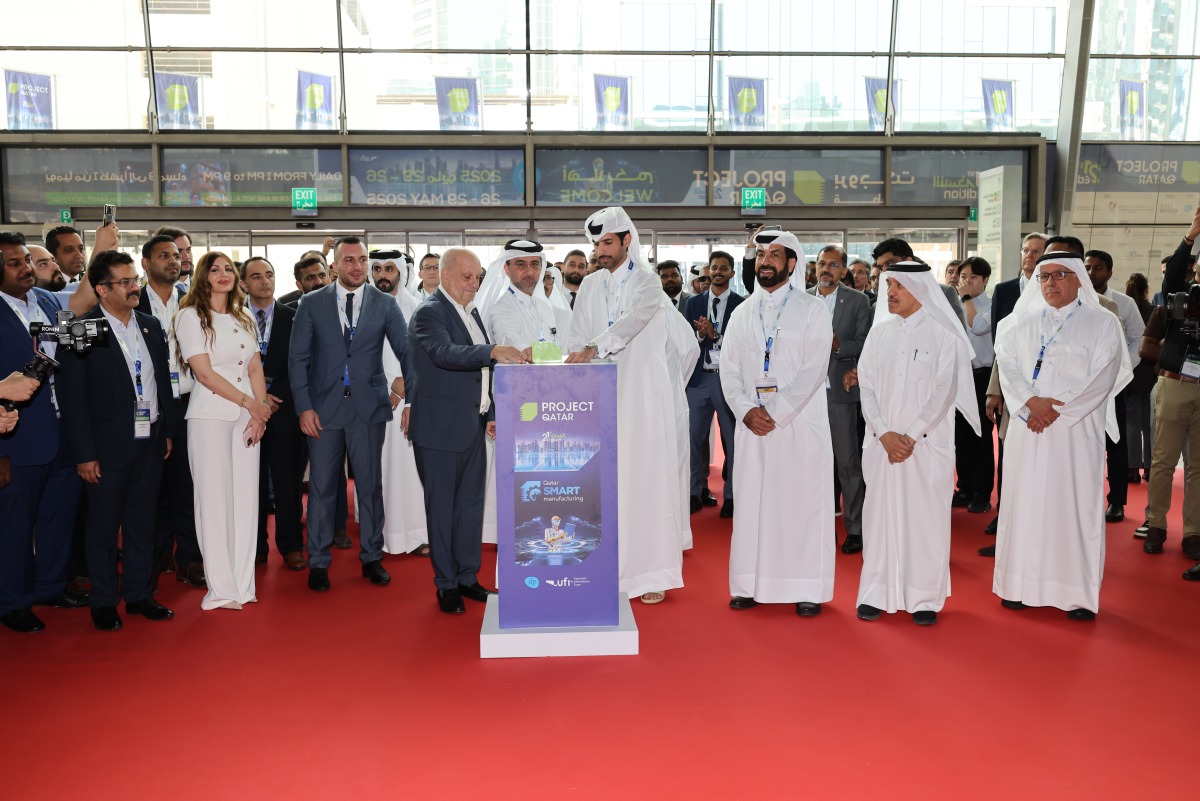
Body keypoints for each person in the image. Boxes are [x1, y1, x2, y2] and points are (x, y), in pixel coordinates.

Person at [993, 252, 1131, 620]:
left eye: (1060, 275)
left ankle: (1075, 594)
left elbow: (1104, 376)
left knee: (1070, 508)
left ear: (1079, 280)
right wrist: (1029, 404)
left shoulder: (1102, 323)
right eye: (1044, 276)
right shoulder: (1019, 324)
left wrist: (1055, 411)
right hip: (1027, 430)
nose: (1051, 282)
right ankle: (1017, 585)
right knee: (1023, 505)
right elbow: (1006, 366)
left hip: (1074, 433)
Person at [566, 207, 687, 604]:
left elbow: (634, 320)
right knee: (602, 486)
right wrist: (579, 360)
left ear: (626, 241)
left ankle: (650, 574)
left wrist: (593, 348)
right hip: (600, 399)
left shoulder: (647, 283)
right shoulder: (589, 285)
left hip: (641, 398)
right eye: (596, 244)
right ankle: (602, 568)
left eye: (606, 243)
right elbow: (576, 335)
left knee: (646, 484)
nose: (600, 251)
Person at [853, 262, 979, 626]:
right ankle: (876, 592)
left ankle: (924, 596)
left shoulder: (944, 334)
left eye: (898, 286)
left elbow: (945, 391)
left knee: (925, 520)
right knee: (879, 519)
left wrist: (910, 436)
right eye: (888, 284)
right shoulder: (880, 335)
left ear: (920, 289)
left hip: (925, 447)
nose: (889, 292)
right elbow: (868, 389)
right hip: (882, 445)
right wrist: (884, 433)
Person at [56, 251, 176, 631]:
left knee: (143, 523)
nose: (133, 287)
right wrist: (84, 454)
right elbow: (71, 398)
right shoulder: (77, 329)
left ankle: (139, 594)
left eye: (133, 279)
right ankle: (104, 600)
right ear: (101, 290)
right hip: (105, 448)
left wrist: (166, 431)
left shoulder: (150, 325)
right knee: (104, 527)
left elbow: (162, 382)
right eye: (123, 282)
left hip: (151, 439)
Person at [288, 236, 412, 592]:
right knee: (323, 489)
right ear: (336, 266)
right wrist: (304, 407)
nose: (357, 267)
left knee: (370, 488)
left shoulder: (385, 305)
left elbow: (406, 352)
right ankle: (319, 562)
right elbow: (297, 360)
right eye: (349, 260)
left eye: (362, 260)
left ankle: (372, 557)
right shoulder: (311, 303)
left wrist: (412, 399)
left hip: (368, 409)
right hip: (323, 411)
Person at [720, 230, 834, 616]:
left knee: (800, 504)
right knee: (752, 503)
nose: (765, 261)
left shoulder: (813, 309)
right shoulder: (741, 312)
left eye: (774, 255)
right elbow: (729, 369)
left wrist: (777, 410)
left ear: (791, 263)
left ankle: (805, 588)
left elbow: (815, 368)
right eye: (761, 254)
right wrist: (744, 409)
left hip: (799, 425)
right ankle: (749, 585)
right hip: (752, 425)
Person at [408, 248, 527, 614]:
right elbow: (446, 353)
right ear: (444, 275)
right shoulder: (430, 312)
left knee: (469, 508)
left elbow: (482, 372)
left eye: (477, 277)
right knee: (442, 510)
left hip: (472, 426)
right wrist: (492, 350)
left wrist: (489, 410)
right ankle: (445, 584)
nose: (474, 284)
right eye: (466, 277)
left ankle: (466, 576)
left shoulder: (470, 311)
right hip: (439, 431)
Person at [176, 252, 270, 610]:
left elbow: (256, 367)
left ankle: (244, 584)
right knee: (214, 501)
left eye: (228, 269)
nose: (223, 274)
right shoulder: (189, 316)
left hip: (247, 419)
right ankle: (222, 588)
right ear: (203, 277)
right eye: (214, 270)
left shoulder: (244, 317)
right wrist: (252, 405)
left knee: (246, 500)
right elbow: (204, 374)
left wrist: (259, 414)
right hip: (210, 417)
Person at [0, 232, 83, 634]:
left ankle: (50, 586)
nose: (25, 268)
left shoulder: (49, 301)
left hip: (62, 428)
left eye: (26, 261)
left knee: (58, 514)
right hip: (16, 435)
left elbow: (71, 337)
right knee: (16, 524)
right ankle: (13, 601)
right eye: (14, 262)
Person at [138, 234, 205, 588]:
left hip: (187, 405)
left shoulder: (192, 301)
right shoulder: (132, 302)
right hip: (146, 407)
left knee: (186, 486)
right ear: (146, 263)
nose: (174, 260)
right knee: (149, 488)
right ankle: (152, 557)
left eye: (177, 255)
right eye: (164, 255)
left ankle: (189, 559)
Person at [241, 256, 307, 570]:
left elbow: (303, 364)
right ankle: (255, 548)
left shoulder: (295, 317)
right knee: (248, 484)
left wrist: (273, 395)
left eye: (269, 275)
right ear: (243, 284)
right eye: (256, 276)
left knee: (288, 483)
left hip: (284, 410)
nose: (265, 281)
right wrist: (258, 397)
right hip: (245, 411)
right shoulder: (231, 317)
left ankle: (292, 545)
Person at [1143, 206, 1200, 565]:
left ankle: (1193, 532)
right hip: (1175, 383)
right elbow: (1173, 274)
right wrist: (1191, 235)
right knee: (1164, 460)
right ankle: (1156, 524)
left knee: (1198, 466)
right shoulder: (1183, 293)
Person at [807, 244, 872, 554]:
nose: (826, 269)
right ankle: (814, 528)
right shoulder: (802, 299)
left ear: (844, 271)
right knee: (809, 463)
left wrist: (835, 346)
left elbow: (864, 343)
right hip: (804, 397)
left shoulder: (858, 302)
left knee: (847, 462)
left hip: (839, 394)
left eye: (833, 265)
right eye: (822, 263)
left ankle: (855, 527)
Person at [369, 251, 429, 558]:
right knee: (383, 469)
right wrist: (390, 383)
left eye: (389, 268)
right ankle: (386, 533)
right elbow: (358, 354)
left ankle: (417, 534)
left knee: (412, 468)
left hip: (411, 400)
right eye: (377, 268)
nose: (383, 274)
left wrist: (406, 391)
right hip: (378, 399)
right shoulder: (364, 308)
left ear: (401, 273)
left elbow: (425, 354)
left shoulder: (417, 307)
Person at [1084, 249, 1145, 524]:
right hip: (1079, 388)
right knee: (1084, 443)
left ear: (1109, 272)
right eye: (1087, 267)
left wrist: (1122, 370)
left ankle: (1117, 502)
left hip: (1113, 386)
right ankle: (1084, 499)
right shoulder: (1074, 300)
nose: (1091, 273)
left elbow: (1138, 340)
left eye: (1097, 268)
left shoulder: (1123, 302)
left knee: (1115, 444)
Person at [684, 251, 743, 517]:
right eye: (714, 268)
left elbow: (741, 345)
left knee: (733, 441)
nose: (718, 272)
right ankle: (696, 491)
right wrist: (700, 333)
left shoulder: (742, 305)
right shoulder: (693, 303)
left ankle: (732, 495)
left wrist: (715, 334)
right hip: (698, 380)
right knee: (693, 439)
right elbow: (686, 340)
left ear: (732, 273)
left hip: (727, 380)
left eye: (723, 268)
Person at [953, 256, 996, 515]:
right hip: (958, 375)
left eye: (973, 278)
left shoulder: (991, 304)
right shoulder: (954, 304)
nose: (966, 282)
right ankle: (964, 487)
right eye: (963, 278)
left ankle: (982, 492)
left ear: (985, 280)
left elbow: (978, 327)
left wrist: (967, 299)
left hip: (983, 374)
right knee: (961, 436)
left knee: (981, 437)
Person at [1124, 272, 1155, 486]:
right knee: (1151, 425)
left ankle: (1132, 469)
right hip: (1150, 374)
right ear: (1146, 290)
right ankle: (1151, 469)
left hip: (1130, 372)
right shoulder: (1154, 311)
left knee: (1131, 424)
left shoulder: (1125, 309)